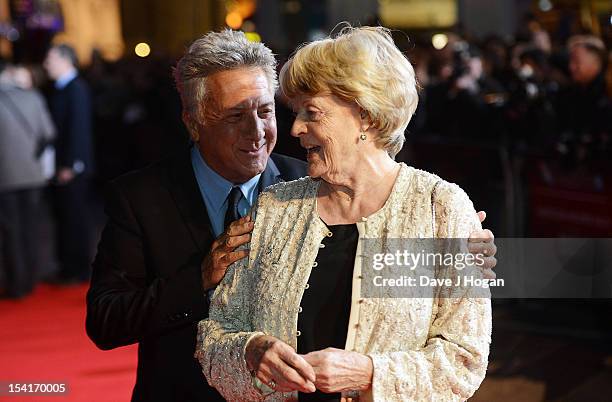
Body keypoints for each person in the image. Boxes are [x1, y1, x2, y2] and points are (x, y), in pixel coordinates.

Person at [86, 30, 497, 401]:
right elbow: (189, 331)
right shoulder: (273, 204)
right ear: (194, 123)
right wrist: (240, 338)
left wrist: (454, 253)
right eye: (234, 116)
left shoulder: (435, 207)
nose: (281, 129)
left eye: (270, 111)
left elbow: (461, 353)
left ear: (366, 116)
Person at [0, 61, 56, 298]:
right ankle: (32, 277)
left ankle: (17, 283)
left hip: (6, 176)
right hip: (33, 174)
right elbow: (49, 133)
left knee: (10, 230)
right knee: (31, 227)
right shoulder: (33, 97)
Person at [43, 43, 95, 283]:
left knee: (75, 216)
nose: (46, 65)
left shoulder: (76, 89)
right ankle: (68, 266)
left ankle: (77, 268)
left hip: (72, 167)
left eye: (51, 59)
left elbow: (78, 130)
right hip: (63, 165)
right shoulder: (63, 88)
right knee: (65, 215)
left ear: (66, 60)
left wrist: (71, 164)